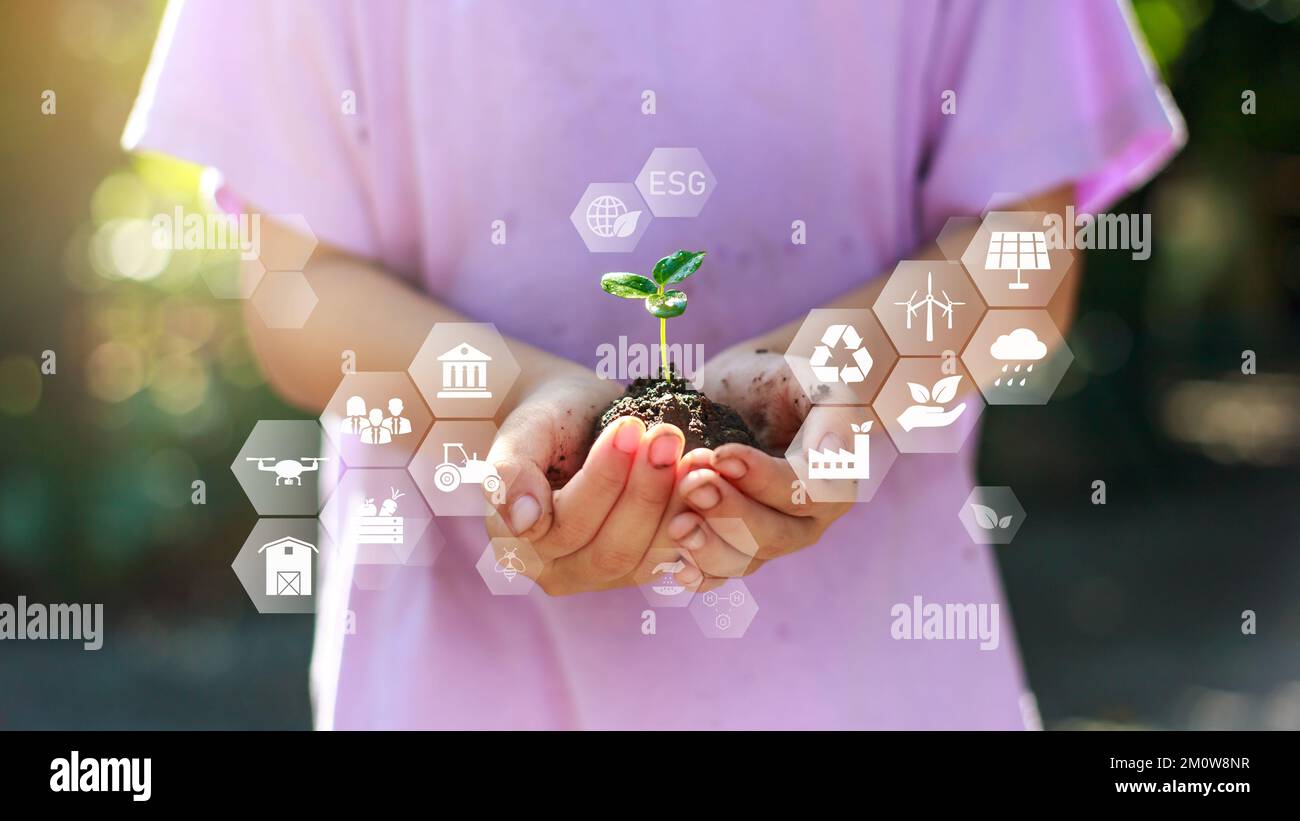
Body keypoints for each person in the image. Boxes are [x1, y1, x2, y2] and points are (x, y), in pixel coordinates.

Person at [125, 0, 1183, 729]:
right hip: (458, 686)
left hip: (871, 682)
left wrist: (839, 372)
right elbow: (295, 287)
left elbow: (1023, 259)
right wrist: (511, 409)